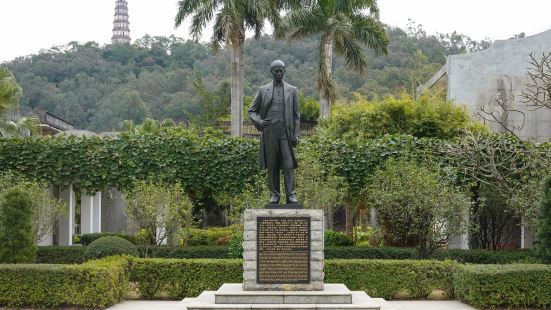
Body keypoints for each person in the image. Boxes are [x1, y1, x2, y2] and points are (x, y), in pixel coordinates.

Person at [249, 60, 300, 204]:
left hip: (286, 133)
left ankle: (291, 195)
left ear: (284, 71)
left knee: (288, 164)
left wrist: (296, 134)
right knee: (272, 165)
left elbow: (297, 115)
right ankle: (275, 195)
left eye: (281, 70)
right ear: (271, 71)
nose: (279, 73)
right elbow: (252, 110)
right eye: (276, 70)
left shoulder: (292, 90)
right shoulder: (262, 90)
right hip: (269, 133)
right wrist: (258, 122)